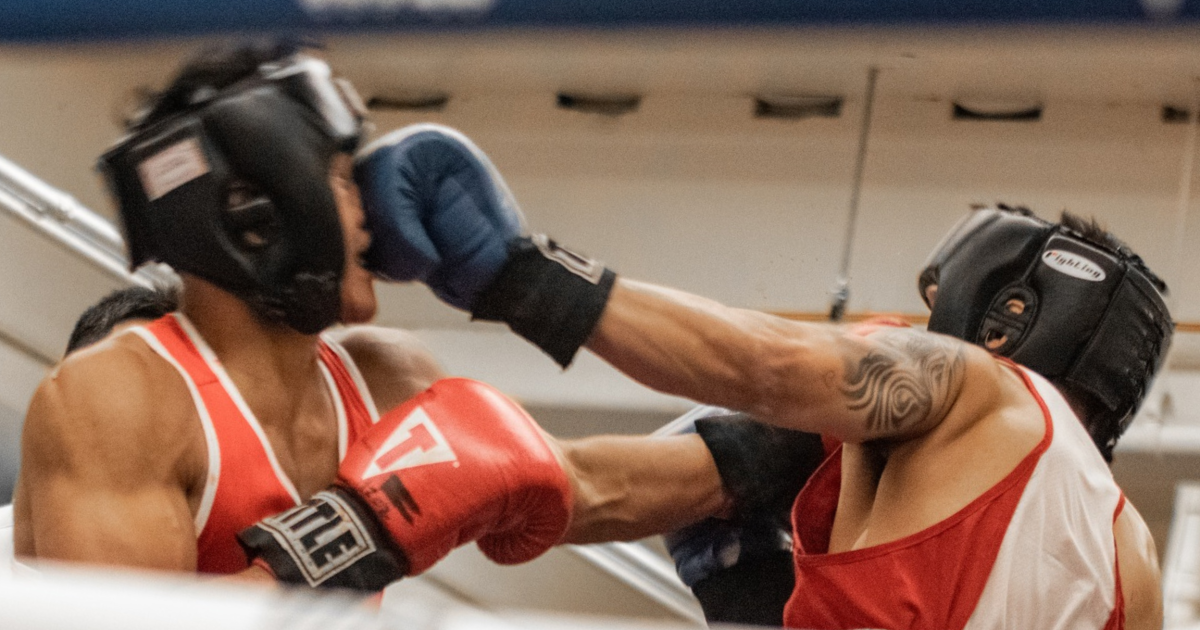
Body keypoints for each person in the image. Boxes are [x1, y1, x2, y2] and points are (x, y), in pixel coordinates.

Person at [13, 40, 812, 597]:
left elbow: (574, 485)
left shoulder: (380, 374)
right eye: (341, 177)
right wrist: (354, 534)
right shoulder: (120, 400)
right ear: (258, 214)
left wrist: (786, 436)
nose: (374, 209)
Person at [351, 124, 1173, 629]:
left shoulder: (966, 383)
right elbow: (596, 486)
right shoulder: (1134, 570)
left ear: (1004, 316)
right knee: (729, 524)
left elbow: (766, 365)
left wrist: (522, 275)